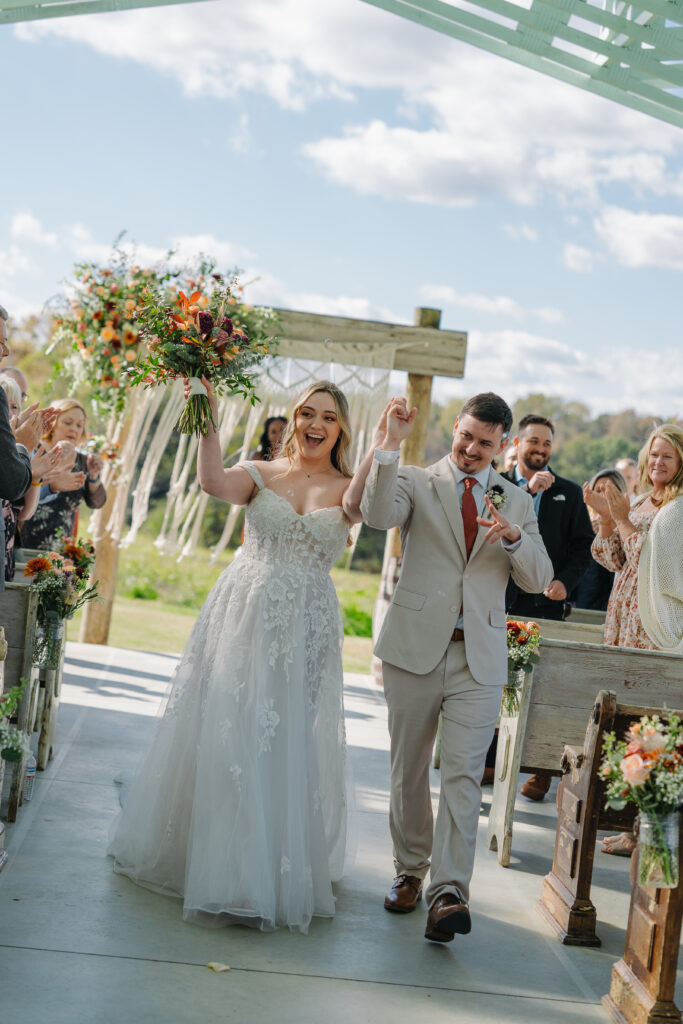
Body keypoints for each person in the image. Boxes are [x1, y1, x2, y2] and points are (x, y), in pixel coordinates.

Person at [109, 379, 376, 934]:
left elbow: (357, 509)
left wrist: (387, 440)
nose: (315, 424)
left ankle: (269, 867)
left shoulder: (350, 487)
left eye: (329, 417)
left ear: (342, 429)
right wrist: (204, 413)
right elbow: (210, 481)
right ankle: (227, 871)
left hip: (308, 625)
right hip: (245, 612)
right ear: (294, 418)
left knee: (284, 735)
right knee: (232, 726)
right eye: (307, 413)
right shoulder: (261, 474)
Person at [360, 392, 552, 943]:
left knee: (465, 776)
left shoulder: (516, 501)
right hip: (415, 649)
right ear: (455, 429)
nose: (471, 450)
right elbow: (377, 515)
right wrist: (390, 445)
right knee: (409, 770)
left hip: (480, 657)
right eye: (465, 437)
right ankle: (409, 871)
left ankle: (449, 892)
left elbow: (537, 579)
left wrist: (514, 537)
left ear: (503, 446)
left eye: (484, 443)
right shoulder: (418, 481)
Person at [584, 423, 683, 856]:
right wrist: (608, 520)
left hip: (652, 625)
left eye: (668, 456)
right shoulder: (642, 500)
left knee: (651, 724)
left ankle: (642, 829)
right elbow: (615, 560)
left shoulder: (678, 508)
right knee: (626, 722)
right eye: (654, 454)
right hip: (623, 619)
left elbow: (660, 568)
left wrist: (622, 520)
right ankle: (628, 822)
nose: (658, 462)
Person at [499, 414, 594, 800]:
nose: (540, 449)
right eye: (533, 442)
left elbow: (581, 548)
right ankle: (495, 760)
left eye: (546, 444)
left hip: (545, 608)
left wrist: (564, 583)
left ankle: (540, 770)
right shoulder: (500, 486)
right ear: (518, 444)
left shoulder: (569, 493)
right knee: (502, 684)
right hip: (504, 603)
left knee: (540, 687)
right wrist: (528, 496)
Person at [20, 398, 106, 550]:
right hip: (25, 540)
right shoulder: (35, 449)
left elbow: (96, 502)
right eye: (68, 422)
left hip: (62, 548)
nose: (74, 429)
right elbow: (18, 491)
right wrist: (50, 483)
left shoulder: (84, 460)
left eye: (79, 425)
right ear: (53, 423)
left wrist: (93, 476)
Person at [574, 468, 627, 611]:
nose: (603, 495)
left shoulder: (626, 529)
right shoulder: (580, 527)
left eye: (609, 490)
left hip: (610, 610)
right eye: (598, 490)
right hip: (577, 608)